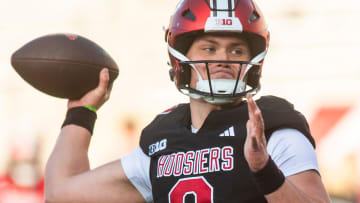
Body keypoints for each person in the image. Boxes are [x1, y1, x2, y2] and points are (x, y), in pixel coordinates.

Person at [45, 0, 331, 202]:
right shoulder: (163, 137)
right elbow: (61, 194)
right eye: (209, 47)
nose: (222, 59)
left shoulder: (272, 128)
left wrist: (264, 170)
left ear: (252, 60)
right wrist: (82, 111)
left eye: (235, 50)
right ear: (179, 57)